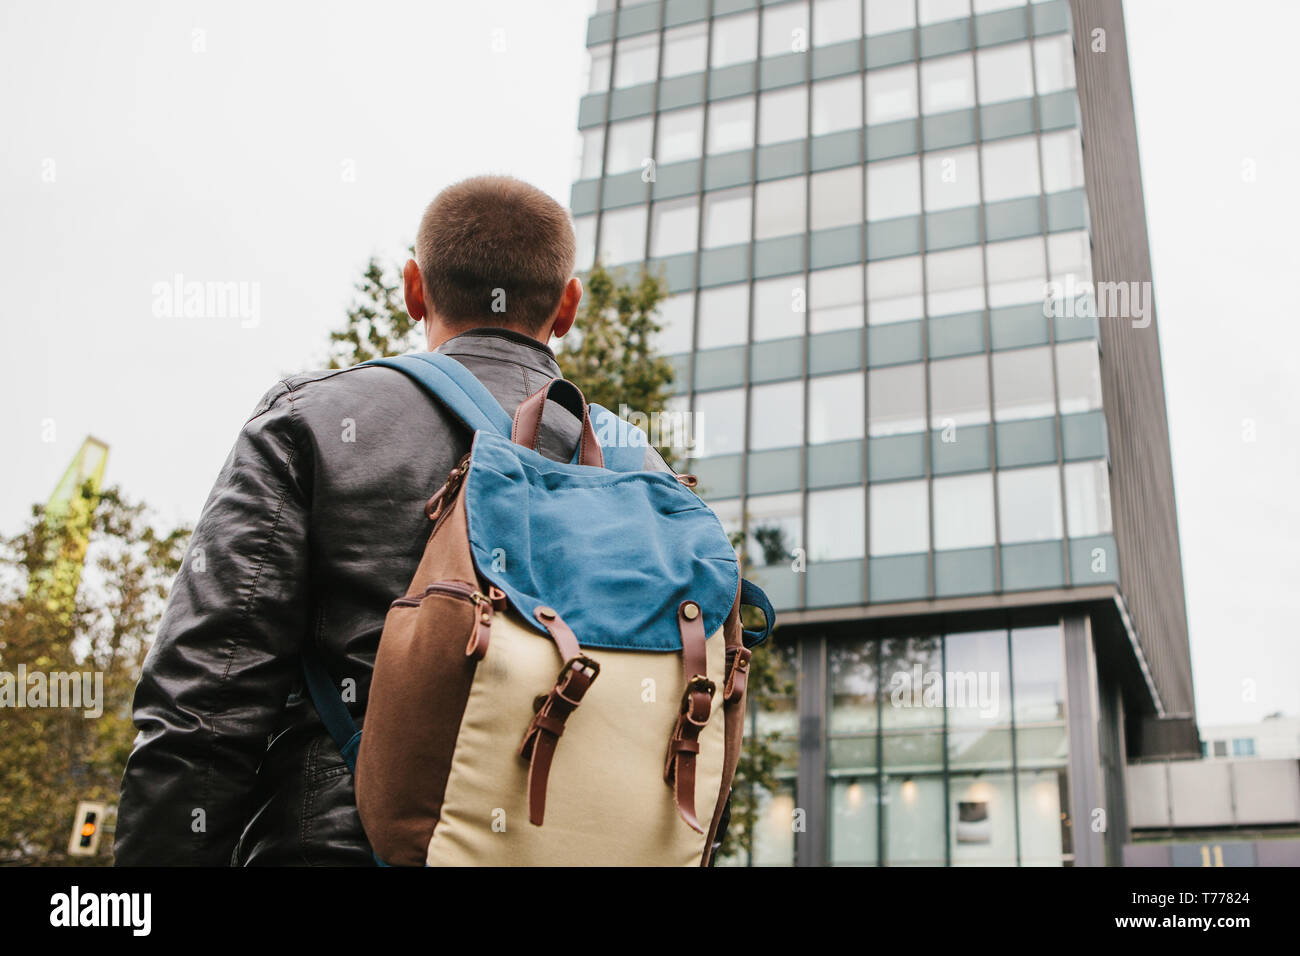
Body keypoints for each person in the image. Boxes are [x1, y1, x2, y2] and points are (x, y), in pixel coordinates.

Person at [114, 175, 682, 865]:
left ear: (414, 289)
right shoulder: (644, 471)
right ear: (567, 306)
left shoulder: (311, 420)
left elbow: (205, 703)